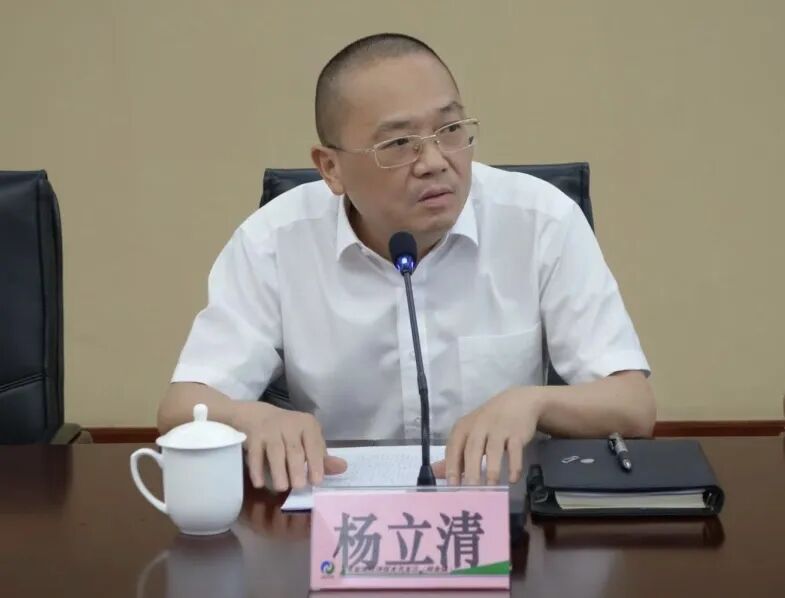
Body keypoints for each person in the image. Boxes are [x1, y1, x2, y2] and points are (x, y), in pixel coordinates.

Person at [158, 33, 656, 492]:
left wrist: (534, 402)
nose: (435, 161)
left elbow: (633, 405)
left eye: (451, 129)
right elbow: (180, 410)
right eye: (398, 144)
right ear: (330, 167)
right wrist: (253, 418)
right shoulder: (273, 241)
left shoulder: (541, 221)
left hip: (500, 519)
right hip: (335, 522)